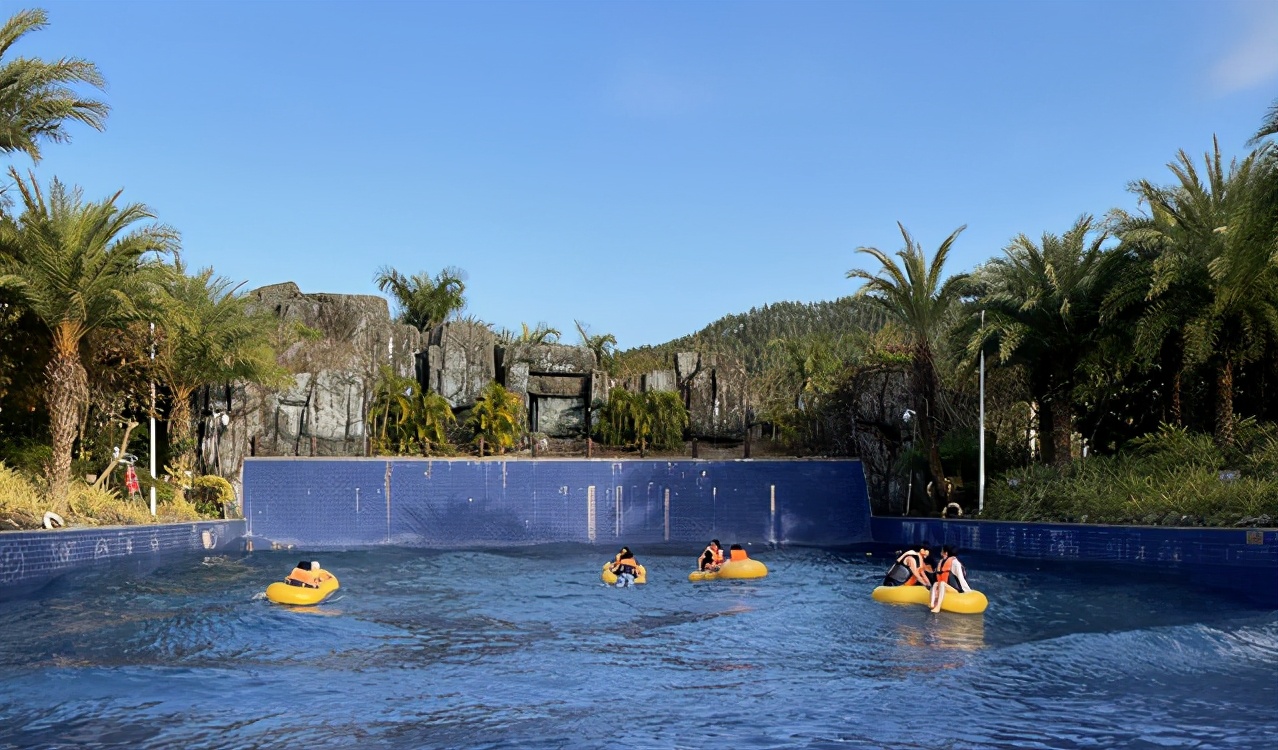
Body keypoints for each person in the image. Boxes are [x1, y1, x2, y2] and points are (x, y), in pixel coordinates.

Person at [929, 545, 971, 612]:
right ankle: (932, 604)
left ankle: (938, 607)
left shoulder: (955, 563)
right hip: (947, 587)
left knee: (942, 583)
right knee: (936, 583)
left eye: (942, 551)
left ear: (946, 553)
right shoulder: (942, 562)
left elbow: (961, 578)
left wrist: (967, 591)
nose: (940, 552)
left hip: (956, 590)